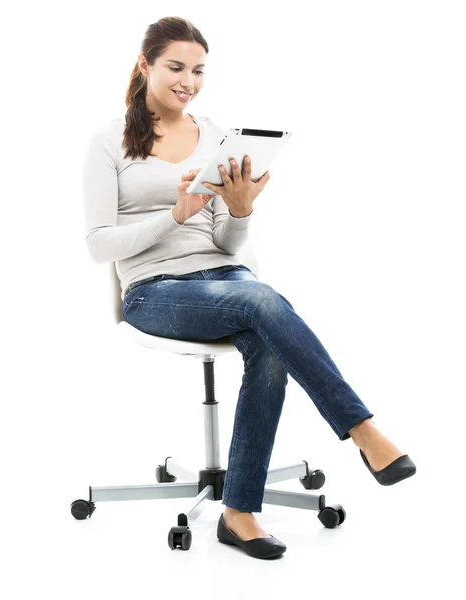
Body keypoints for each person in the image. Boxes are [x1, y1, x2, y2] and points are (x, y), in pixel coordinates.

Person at [82, 16, 416, 559]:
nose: (188, 81)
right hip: (155, 290)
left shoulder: (214, 133)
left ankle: (238, 512)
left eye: (198, 70)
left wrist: (240, 211)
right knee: (263, 299)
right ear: (145, 65)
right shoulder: (107, 143)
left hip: (224, 276)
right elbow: (99, 245)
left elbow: (226, 243)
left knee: (266, 332)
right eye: (175, 67)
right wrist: (175, 214)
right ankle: (362, 428)